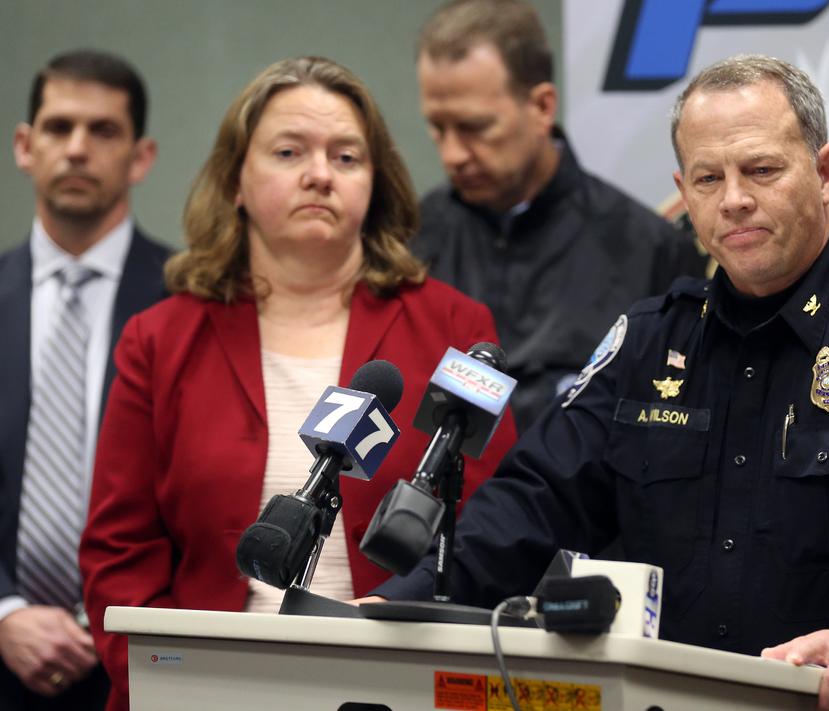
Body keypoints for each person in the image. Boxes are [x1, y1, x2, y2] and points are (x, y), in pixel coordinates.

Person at [373, 55, 829, 711]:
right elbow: (531, 502)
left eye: (761, 169)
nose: (733, 197)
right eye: (709, 177)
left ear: (824, 172)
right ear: (685, 189)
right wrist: (399, 606)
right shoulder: (648, 340)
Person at [77, 56, 516, 711]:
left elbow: (495, 524)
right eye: (289, 151)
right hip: (201, 690)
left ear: (375, 181)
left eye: (346, 157)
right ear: (235, 180)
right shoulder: (159, 339)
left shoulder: (456, 327)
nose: (319, 174)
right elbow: (119, 552)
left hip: (399, 687)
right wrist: (168, 684)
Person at [412, 0, 706, 430]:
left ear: (543, 106)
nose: (452, 153)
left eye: (474, 127)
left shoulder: (652, 252)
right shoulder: (409, 243)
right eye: (438, 128)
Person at [0, 49, 168, 710]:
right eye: (58, 127)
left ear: (141, 156)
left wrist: (119, 613)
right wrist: (5, 611)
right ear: (24, 144)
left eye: (102, 131)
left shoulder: (191, 304)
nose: (76, 148)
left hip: (143, 655)